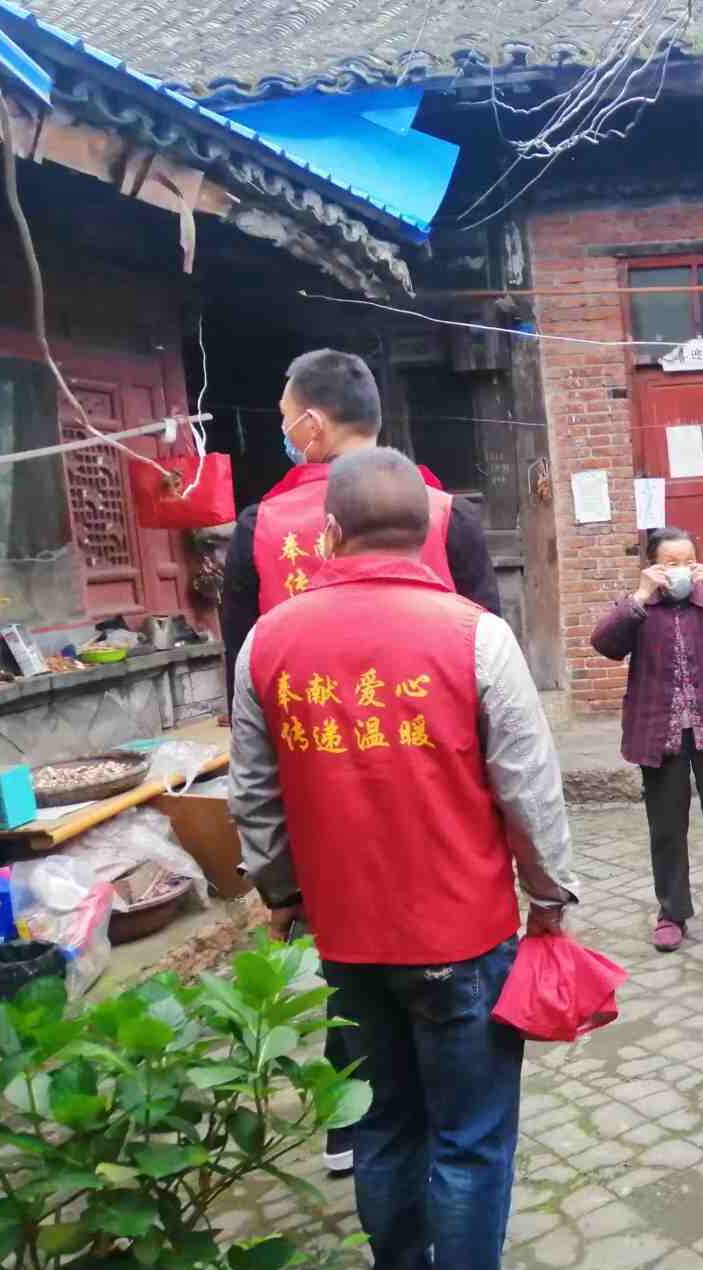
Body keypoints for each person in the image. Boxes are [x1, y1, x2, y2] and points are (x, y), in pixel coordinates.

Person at [230, 448, 577, 1270]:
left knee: (382, 1128)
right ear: (426, 534)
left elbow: (255, 798)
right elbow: (529, 789)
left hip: (347, 938)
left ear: (329, 532)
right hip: (465, 935)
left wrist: (281, 893)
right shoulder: (478, 637)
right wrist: (549, 897)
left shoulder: (267, 643)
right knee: (469, 1140)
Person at [220, 348, 500, 1174]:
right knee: (443, 965)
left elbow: (244, 687)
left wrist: (274, 875)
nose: (283, 429)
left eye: (283, 416)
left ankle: (358, 1121)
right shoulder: (446, 514)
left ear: (311, 422)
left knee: (349, 953)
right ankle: (448, 1124)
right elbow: (496, 673)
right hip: (443, 796)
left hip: (320, 792)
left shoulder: (260, 527)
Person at [590, 527, 703, 952]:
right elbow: (604, 644)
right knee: (667, 828)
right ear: (652, 567)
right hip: (659, 733)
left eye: (688, 562)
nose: (681, 571)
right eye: (670, 564)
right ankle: (672, 914)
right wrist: (639, 595)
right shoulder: (639, 608)